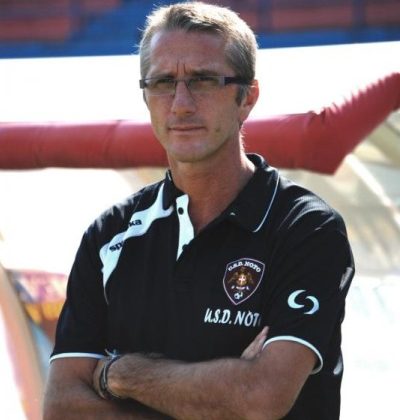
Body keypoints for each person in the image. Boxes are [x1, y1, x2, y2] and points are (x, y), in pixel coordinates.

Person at [43, 2, 354, 419]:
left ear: (247, 98)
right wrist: (224, 388)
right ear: (146, 95)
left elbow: (261, 397)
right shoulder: (110, 235)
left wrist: (122, 374)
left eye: (203, 80)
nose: (181, 103)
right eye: (163, 82)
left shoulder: (306, 229)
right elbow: (62, 406)